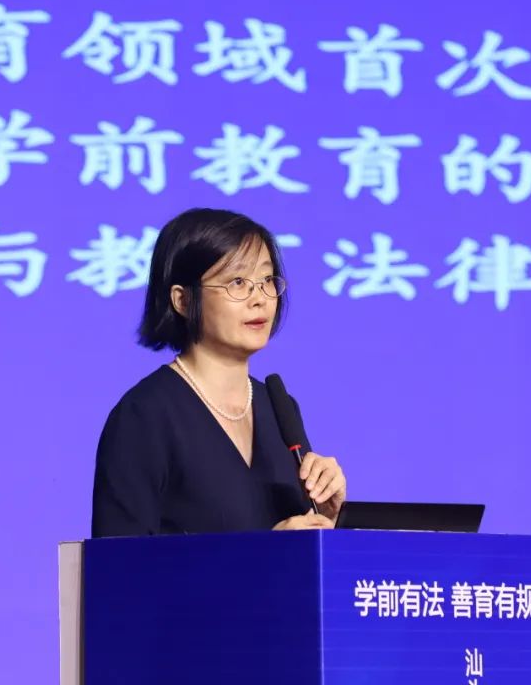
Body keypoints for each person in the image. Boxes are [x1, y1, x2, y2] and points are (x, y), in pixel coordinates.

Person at [91, 208, 347, 537]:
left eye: (267, 280)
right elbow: (118, 562)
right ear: (182, 300)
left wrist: (325, 515)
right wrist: (268, 552)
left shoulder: (279, 408)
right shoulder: (144, 415)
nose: (259, 299)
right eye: (238, 282)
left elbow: (295, 542)